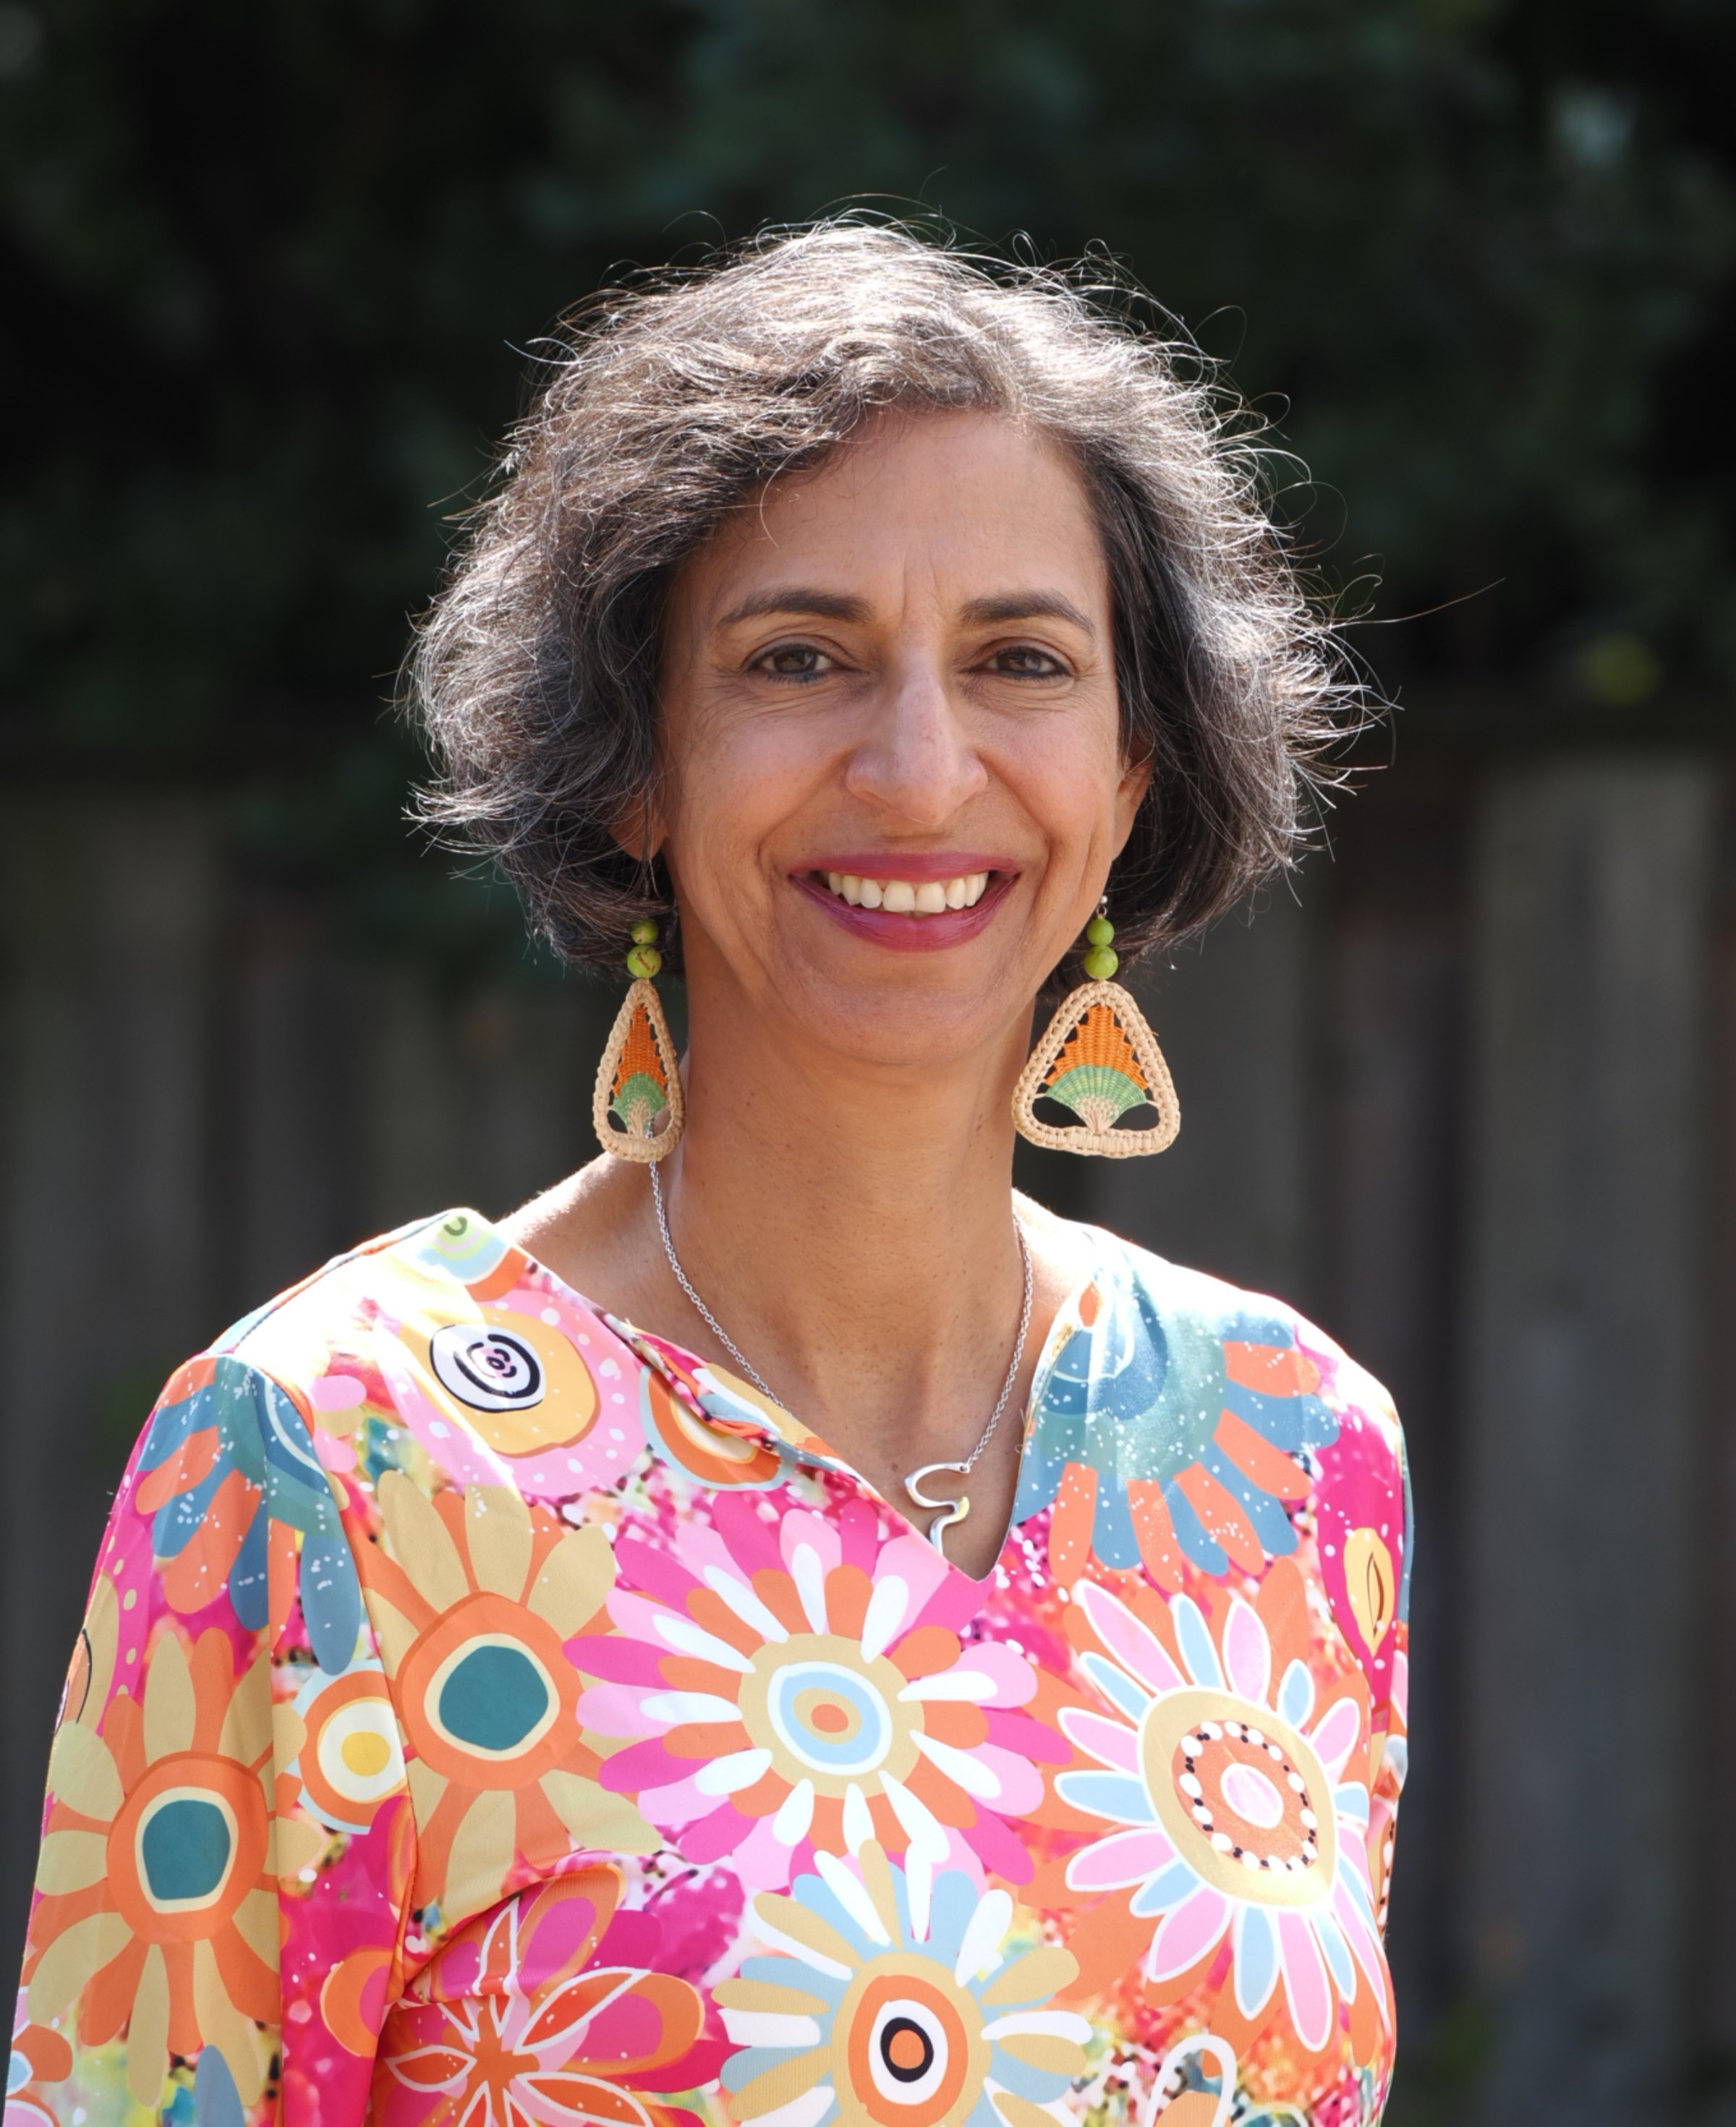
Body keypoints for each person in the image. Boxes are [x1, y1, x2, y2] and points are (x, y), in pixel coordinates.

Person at [9, 226, 1410, 2127]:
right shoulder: (332, 1462)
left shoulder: (1292, 1453)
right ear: (636, 763)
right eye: (799, 658)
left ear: (1133, 772)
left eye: (1020, 660)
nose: (921, 769)